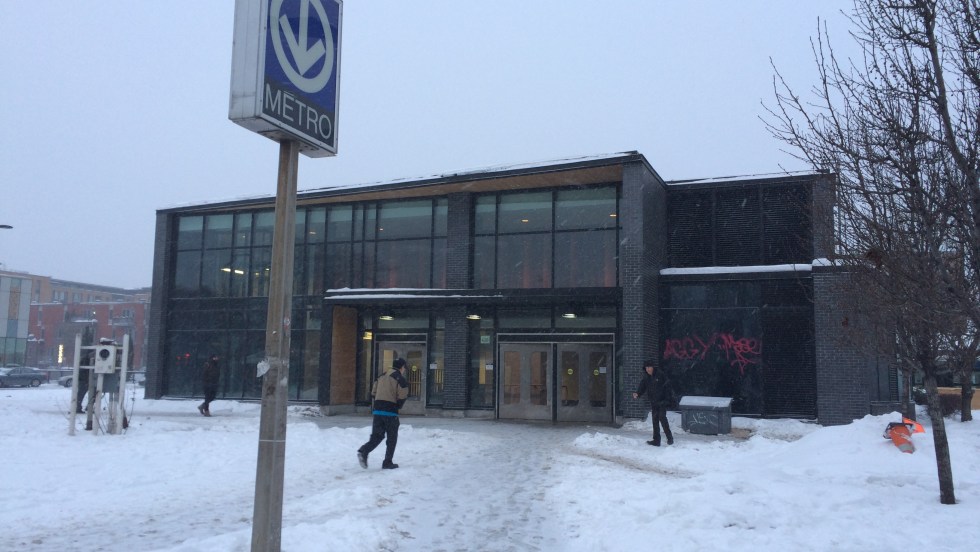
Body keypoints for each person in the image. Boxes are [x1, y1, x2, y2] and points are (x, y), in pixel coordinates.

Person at [357, 358, 409, 469]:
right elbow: (403, 395)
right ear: (402, 367)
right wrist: (397, 405)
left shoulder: (381, 376)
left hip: (378, 411)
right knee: (392, 438)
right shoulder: (400, 379)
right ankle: (387, 462)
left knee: (377, 436)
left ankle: (364, 451)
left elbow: (373, 392)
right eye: (404, 367)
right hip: (390, 412)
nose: (404, 370)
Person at [633, 360, 674, 446]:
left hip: (662, 401)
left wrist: (667, 399)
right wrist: (638, 393)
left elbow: (667, 387)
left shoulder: (660, 375)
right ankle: (656, 440)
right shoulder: (646, 377)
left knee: (662, 418)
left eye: (649, 367)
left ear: (652, 367)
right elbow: (642, 386)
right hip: (654, 401)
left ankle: (670, 438)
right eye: (646, 368)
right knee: (655, 420)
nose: (648, 369)